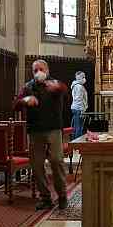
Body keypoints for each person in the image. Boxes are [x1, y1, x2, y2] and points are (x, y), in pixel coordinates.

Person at [14, 60, 69, 210]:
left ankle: (62, 195)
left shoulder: (55, 84)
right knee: (37, 165)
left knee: (56, 161)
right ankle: (45, 197)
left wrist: (58, 87)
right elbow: (15, 105)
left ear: (47, 70)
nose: (38, 72)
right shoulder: (28, 87)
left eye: (41, 69)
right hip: (35, 131)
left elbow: (65, 92)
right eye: (35, 70)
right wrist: (25, 100)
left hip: (53, 129)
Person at [70, 71, 88, 139]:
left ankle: (74, 140)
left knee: (76, 126)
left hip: (75, 108)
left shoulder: (75, 85)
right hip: (78, 108)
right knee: (79, 127)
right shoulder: (79, 87)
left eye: (84, 77)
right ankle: (78, 141)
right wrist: (82, 110)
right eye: (83, 77)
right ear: (79, 78)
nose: (84, 79)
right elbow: (79, 99)